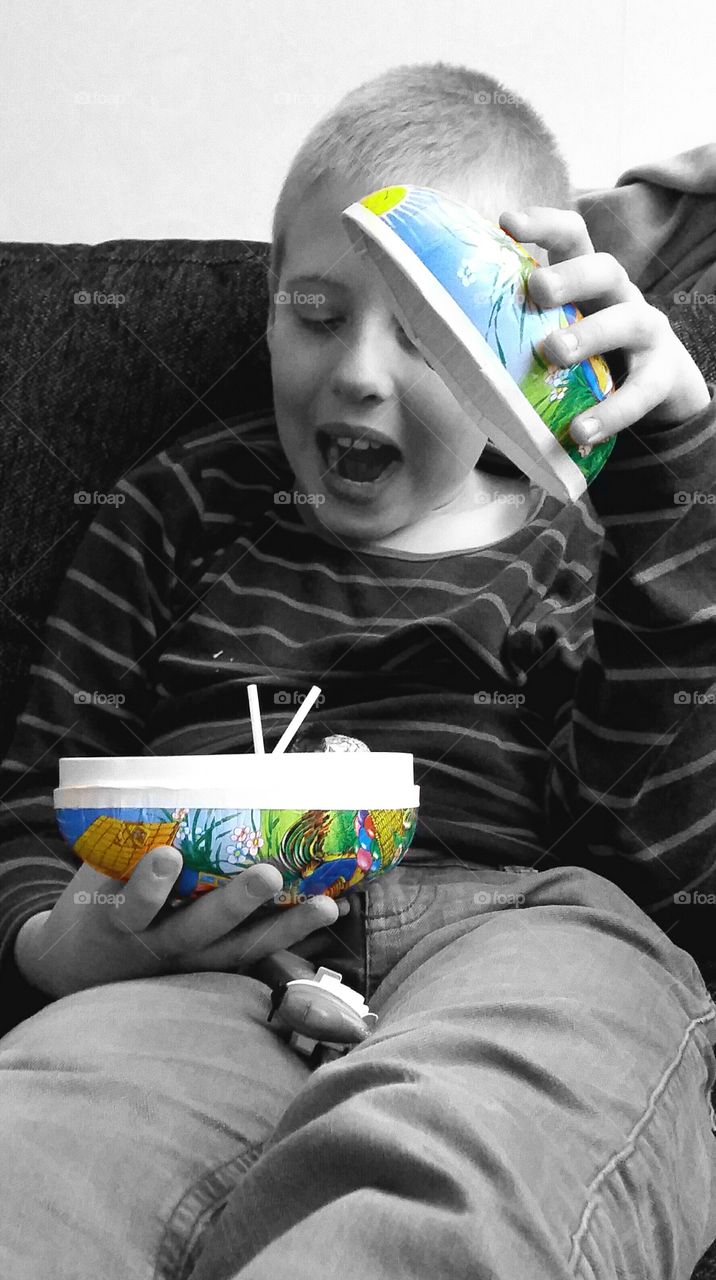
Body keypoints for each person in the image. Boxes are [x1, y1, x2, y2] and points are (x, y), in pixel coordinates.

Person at [1, 60, 715, 1280]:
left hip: (513, 926)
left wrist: (674, 471)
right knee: (46, 1158)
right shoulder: (182, 508)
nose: (360, 375)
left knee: (483, 1143)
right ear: (269, 303)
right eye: (318, 314)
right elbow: (33, 802)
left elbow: (657, 856)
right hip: (197, 961)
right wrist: (53, 949)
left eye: (428, 333)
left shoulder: (583, 541)